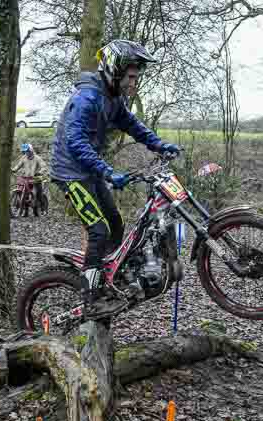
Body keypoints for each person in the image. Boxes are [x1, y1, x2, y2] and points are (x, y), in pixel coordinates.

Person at [50, 39, 180, 319]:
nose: (135, 81)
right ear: (114, 70)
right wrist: (108, 171)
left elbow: (132, 125)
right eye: (131, 76)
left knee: (116, 223)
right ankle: (91, 295)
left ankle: (108, 276)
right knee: (98, 230)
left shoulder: (112, 98)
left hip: (89, 170)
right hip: (71, 173)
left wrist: (159, 145)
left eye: (136, 76)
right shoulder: (86, 98)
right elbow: (76, 142)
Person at [12, 143, 47, 217]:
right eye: (25, 151)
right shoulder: (23, 158)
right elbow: (18, 165)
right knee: (25, 193)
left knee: (39, 194)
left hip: (35, 179)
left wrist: (39, 172)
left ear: (31, 150)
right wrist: (13, 170)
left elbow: (44, 166)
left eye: (27, 151)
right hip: (26, 179)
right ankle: (26, 212)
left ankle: (43, 209)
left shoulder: (37, 158)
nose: (26, 153)